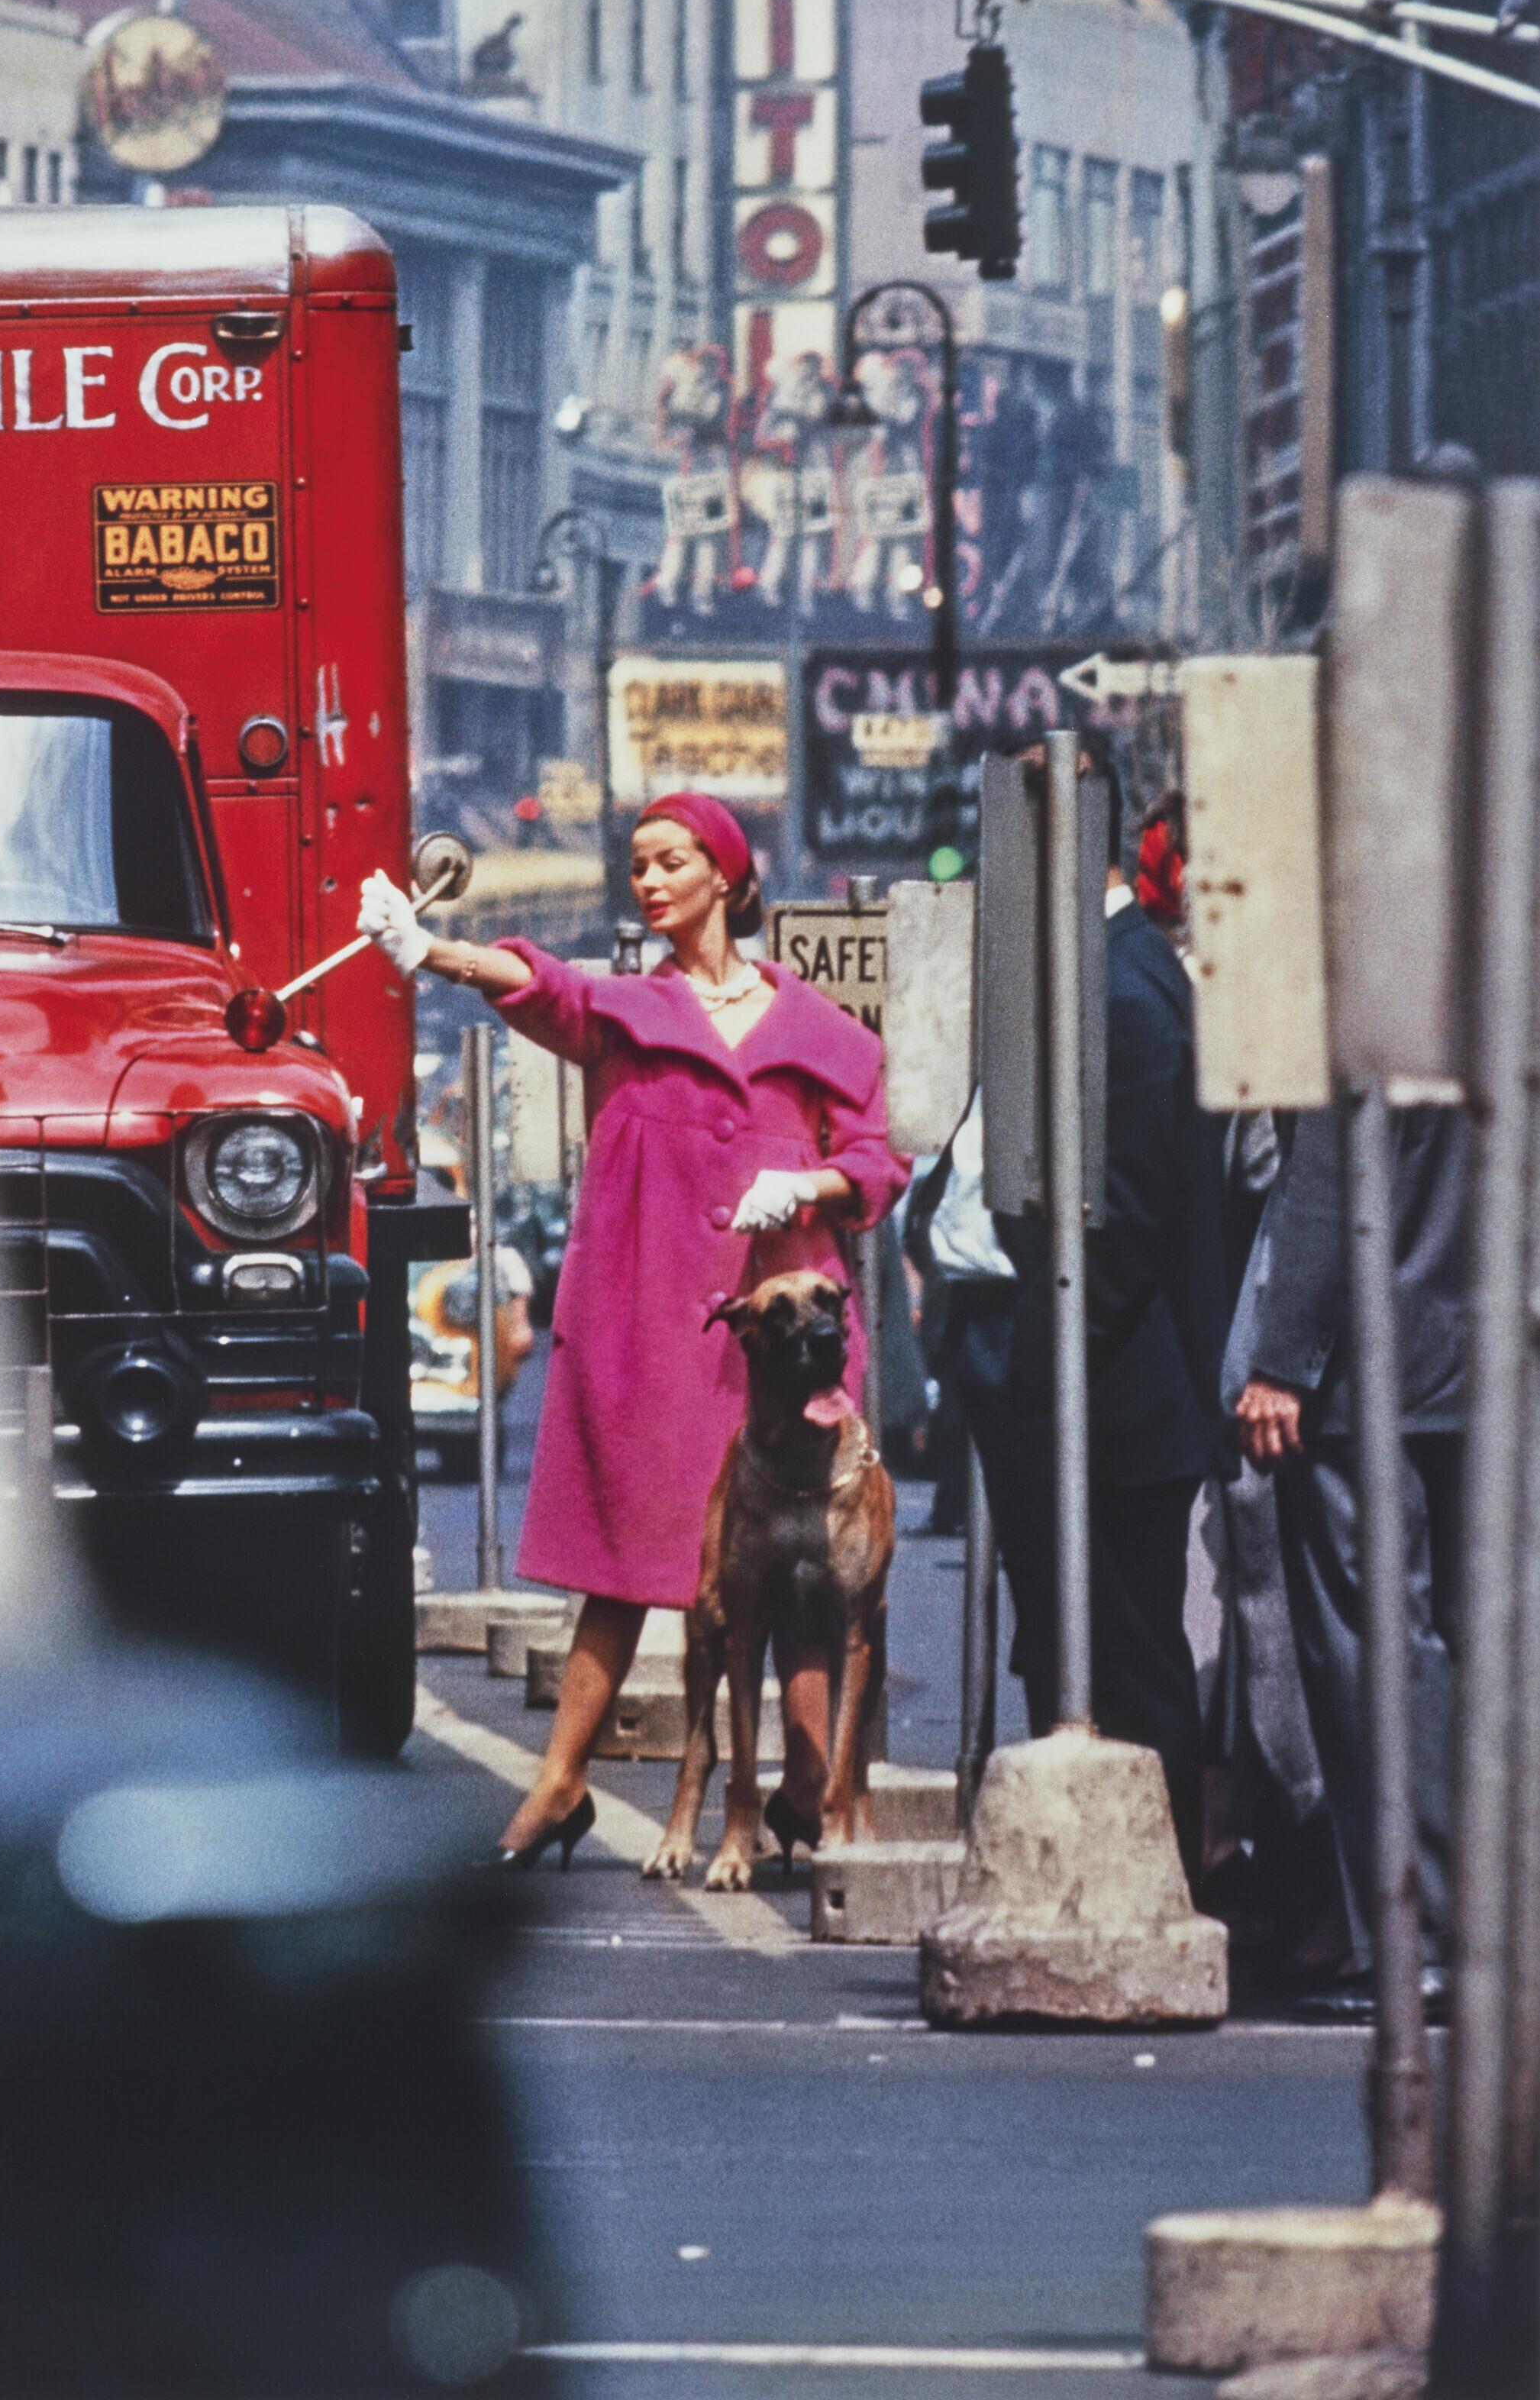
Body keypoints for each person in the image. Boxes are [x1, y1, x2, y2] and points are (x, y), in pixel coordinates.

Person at [357, 794, 906, 1867]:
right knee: (623, 1568)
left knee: (799, 1564)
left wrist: (806, 1184)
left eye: (668, 863)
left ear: (725, 877)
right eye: (638, 865)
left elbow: (879, 1162)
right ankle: (561, 1781)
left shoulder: (821, 1033)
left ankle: (801, 1783)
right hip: (652, 1322)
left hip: (775, 1336)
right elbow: (542, 985)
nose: (647, 883)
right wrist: (430, 952)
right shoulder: (623, 1010)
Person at [962, 748, 1229, 1887]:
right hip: (1087, 1394)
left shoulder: (1122, 992)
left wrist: (1034, 1379)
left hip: (1107, 1402)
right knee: (1081, 1651)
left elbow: (1113, 1233)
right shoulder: (1096, 974)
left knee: (1121, 1660)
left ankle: (1149, 1888)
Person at [1222, 1105, 1467, 2016]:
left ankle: (1420, 1939)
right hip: (1481, 1352)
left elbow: (1329, 1176)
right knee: (1467, 1648)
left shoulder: (1367, 987)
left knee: (1368, 1652)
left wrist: (1283, 1357)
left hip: (1372, 1363)